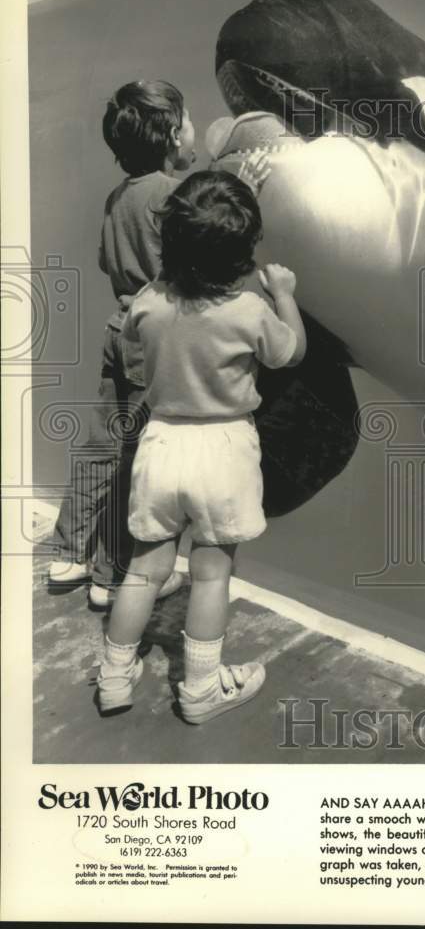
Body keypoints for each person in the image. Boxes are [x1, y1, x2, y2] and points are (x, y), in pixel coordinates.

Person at [47, 80, 269, 607]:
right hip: (154, 340)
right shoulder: (171, 195)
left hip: (117, 331)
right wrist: (248, 194)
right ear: (172, 136)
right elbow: (210, 233)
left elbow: (108, 261)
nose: (195, 131)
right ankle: (111, 576)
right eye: (189, 121)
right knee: (139, 459)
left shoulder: (118, 196)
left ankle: (68, 554)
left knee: (100, 450)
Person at [96, 170, 306, 723]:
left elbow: (133, 339)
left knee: (145, 570)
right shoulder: (248, 311)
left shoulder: (148, 303)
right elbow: (290, 354)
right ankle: (201, 690)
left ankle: (115, 677)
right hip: (224, 448)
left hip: (161, 444)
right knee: (210, 573)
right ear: (245, 251)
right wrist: (283, 295)